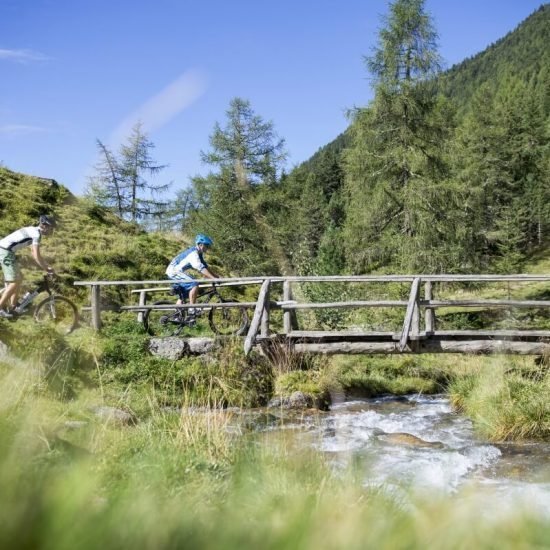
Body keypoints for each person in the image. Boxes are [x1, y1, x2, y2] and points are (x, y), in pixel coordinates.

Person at [0, 215, 56, 318]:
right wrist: (47, 268)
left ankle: (13, 306)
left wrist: (45, 265)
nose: (51, 231)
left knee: (19, 278)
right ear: (44, 226)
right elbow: (35, 255)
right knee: (14, 282)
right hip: (5, 251)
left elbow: (33, 252)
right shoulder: (36, 234)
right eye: (50, 228)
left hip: (7, 251)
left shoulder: (33, 230)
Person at [165, 234, 217, 317]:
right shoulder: (193, 253)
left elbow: (205, 266)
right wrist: (213, 278)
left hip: (174, 271)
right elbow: (200, 268)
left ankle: (176, 316)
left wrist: (215, 276)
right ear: (200, 245)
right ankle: (192, 309)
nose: (208, 248)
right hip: (173, 271)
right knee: (194, 284)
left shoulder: (199, 254)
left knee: (184, 295)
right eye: (206, 245)